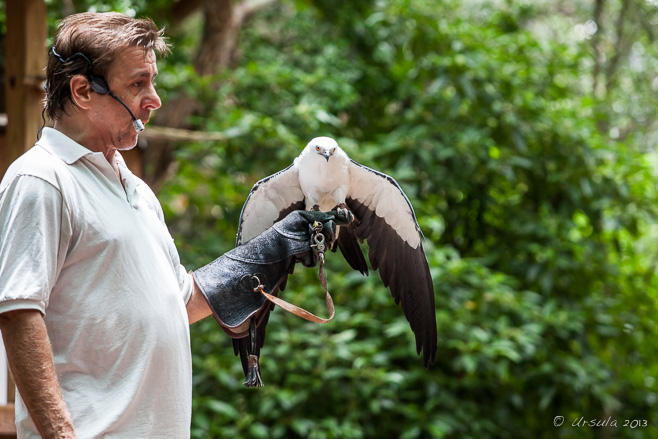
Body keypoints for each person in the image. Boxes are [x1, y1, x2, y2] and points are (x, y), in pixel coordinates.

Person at [0, 11, 340, 439]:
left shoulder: (136, 190)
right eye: (138, 83)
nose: (155, 99)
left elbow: (179, 302)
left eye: (153, 81)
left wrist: (272, 247)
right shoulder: (43, 178)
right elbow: (17, 312)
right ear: (83, 91)